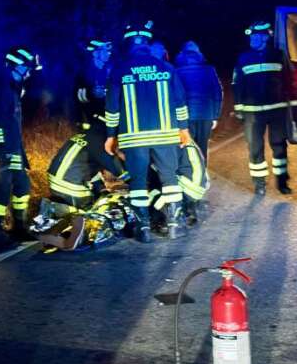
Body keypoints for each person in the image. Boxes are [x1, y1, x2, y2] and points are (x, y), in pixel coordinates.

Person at [104, 21, 190, 242]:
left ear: (128, 44)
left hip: (133, 139)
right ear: (147, 44)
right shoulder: (166, 68)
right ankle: (175, 225)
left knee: (138, 182)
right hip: (166, 135)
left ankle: (143, 229)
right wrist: (184, 129)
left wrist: (111, 135)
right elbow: (180, 102)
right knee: (169, 177)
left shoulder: (119, 71)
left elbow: (112, 108)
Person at [0, 46, 40, 248]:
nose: (29, 72)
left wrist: (19, 151)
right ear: (16, 66)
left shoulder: (13, 90)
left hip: (14, 148)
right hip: (3, 149)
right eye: (27, 67)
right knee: (3, 187)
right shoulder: (2, 89)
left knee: (22, 185)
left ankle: (19, 227)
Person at [232, 20, 292, 196]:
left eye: (256, 37)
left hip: (277, 109)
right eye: (252, 37)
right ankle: (259, 183)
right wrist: (239, 108)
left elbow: (289, 79)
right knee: (255, 148)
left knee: (279, 145)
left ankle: (282, 181)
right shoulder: (243, 58)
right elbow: (237, 84)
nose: (253, 40)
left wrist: (294, 105)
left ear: (266, 37)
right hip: (252, 112)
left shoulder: (278, 55)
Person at [46, 121, 127, 208]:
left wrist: (100, 188)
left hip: (54, 185)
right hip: (73, 190)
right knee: (113, 206)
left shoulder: (87, 135)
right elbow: (119, 171)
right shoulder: (102, 143)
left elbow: (90, 170)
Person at [174, 41, 223, 163]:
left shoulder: (177, 71)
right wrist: (215, 116)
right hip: (206, 114)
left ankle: (189, 172)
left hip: (186, 116)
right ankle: (202, 171)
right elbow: (217, 93)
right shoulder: (209, 70)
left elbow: (175, 96)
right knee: (202, 147)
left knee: (187, 147)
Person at [74, 38, 113, 131]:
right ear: (95, 53)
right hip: (91, 121)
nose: (108, 54)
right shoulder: (84, 73)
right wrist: (92, 93)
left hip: (108, 118)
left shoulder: (110, 70)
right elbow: (79, 97)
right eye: (105, 51)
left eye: (109, 51)